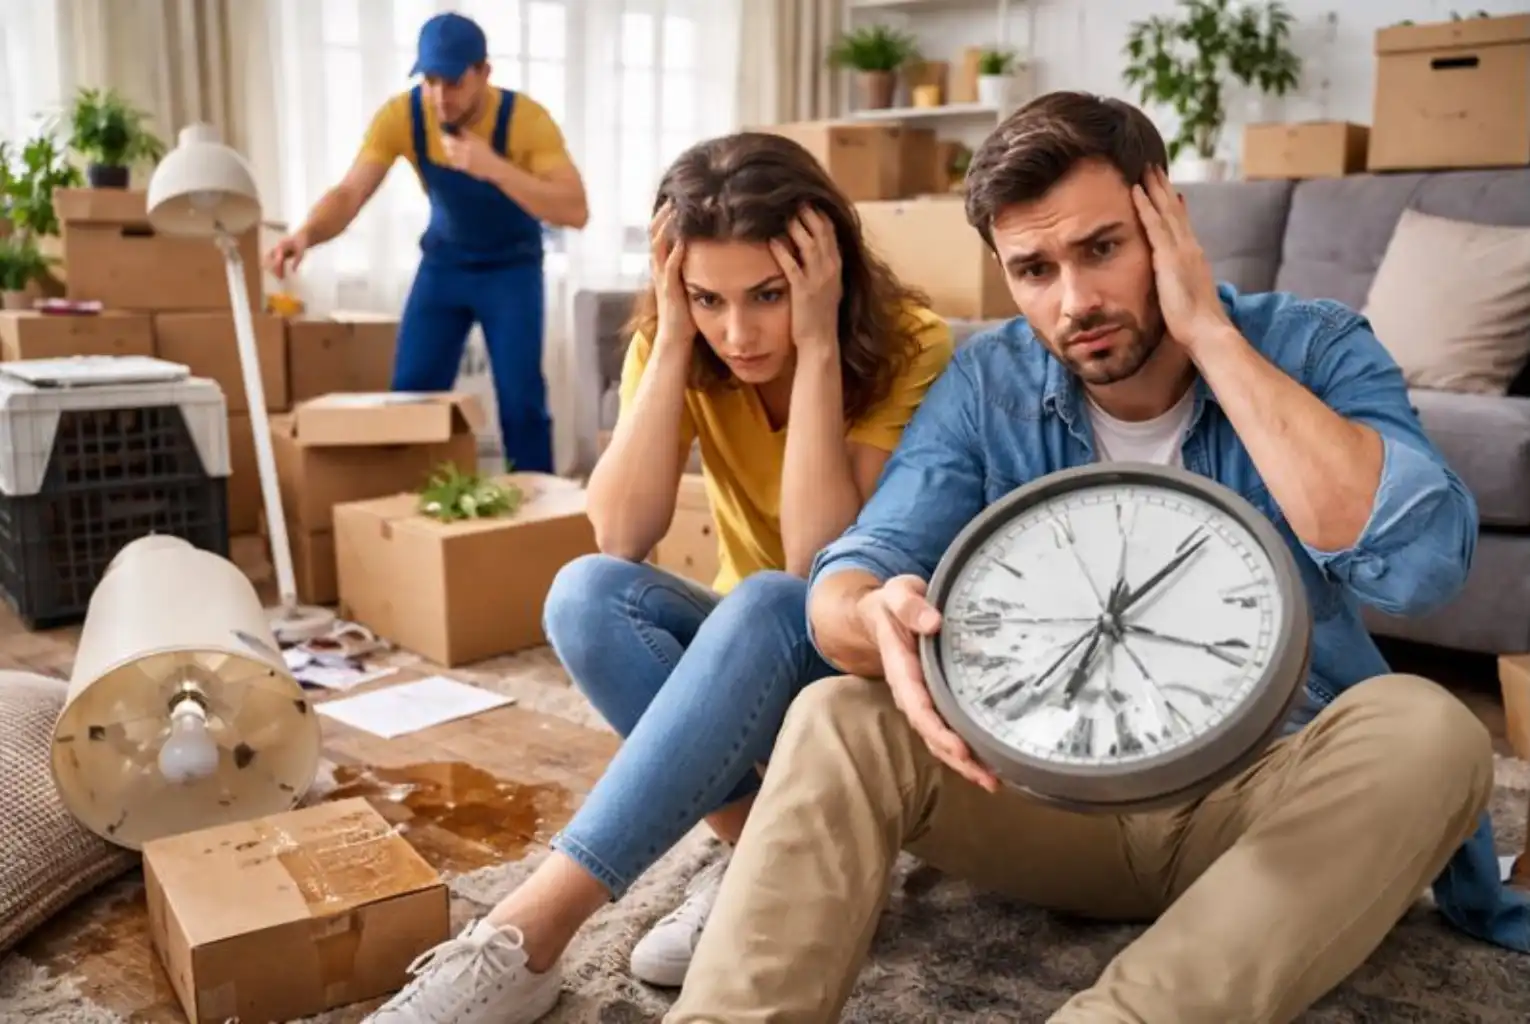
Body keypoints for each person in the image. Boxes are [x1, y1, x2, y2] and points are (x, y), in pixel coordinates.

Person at [666, 91, 1530, 1023]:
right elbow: (853, 568)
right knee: (838, 712)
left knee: (1429, 728)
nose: (1074, 301)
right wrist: (865, 612)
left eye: (1103, 249)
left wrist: (1211, 336)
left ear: (1170, 222)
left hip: (1260, 800)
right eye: (1034, 269)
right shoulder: (990, 380)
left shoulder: (1312, 344)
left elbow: (1424, 564)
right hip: (1054, 793)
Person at [362, 130, 955, 1024]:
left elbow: (818, 566)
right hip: (745, 641)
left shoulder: (913, 344)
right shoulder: (688, 342)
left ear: (822, 269)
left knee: (768, 597)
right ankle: (761, 856)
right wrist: (674, 338)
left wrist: (819, 343)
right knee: (582, 594)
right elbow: (619, 534)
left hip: (866, 645)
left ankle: (528, 936)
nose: (739, 332)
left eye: (767, 295)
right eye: (709, 297)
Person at [265, 11, 587, 474]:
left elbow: (575, 210)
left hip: (511, 271)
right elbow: (351, 192)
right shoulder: (404, 116)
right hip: (445, 268)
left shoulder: (524, 121)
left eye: (453, 81)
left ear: (483, 73)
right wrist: (304, 235)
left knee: (522, 403)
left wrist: (492, 166)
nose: (439, 96)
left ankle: (535, 519)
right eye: (431, 79)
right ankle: (406, 516)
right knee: (409, 396)